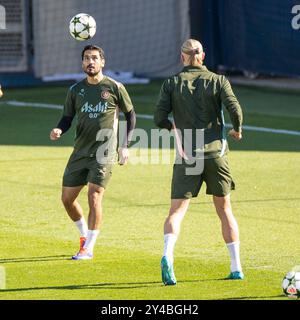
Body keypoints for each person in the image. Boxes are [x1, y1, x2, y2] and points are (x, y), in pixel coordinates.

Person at [154, 39, 244, 285]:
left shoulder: (171, 83)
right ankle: (236, 267)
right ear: (202, 56)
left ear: (182, 57)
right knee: (225, 211)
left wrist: (172, 127)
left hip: (187, 156)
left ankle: (167, 256)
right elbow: (234, 108)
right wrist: (236, 129)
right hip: (216, 154)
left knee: (176, 212)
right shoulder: (218, 80)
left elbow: (158, 117)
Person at [50, 45, 136, 260]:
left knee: (94, 196)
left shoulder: (114, 87)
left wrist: (125, 145)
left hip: (103, 153)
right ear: (82, 63)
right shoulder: (75, 90)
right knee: (67, 199)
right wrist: (60, 128)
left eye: (95, 58)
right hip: (80, 152)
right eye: (87, 58)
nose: (91, 62)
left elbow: (131, 115)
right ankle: (83, 237)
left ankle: (89, 248)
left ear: (102, 62)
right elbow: (67, 117)